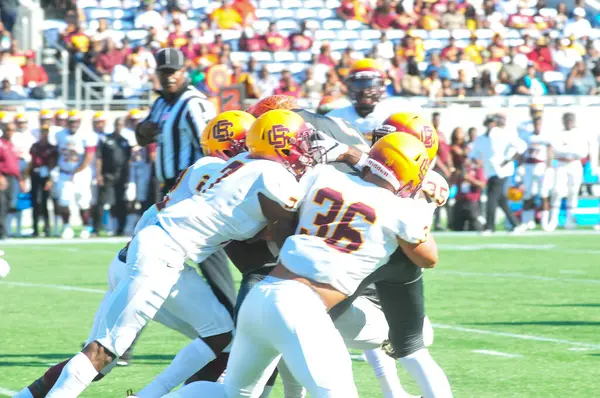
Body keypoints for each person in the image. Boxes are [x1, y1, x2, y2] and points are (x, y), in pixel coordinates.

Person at [40, 109, 326, 397]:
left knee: (221, 332)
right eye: (299, 140)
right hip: (164, 251)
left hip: (164, 249)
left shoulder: (241, 164)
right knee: (105, 350)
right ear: (278, 143)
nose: (305, 148)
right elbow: (285, 239)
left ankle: (148, 394)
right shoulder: (272, 174)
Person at [166, 132, 437, 398]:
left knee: (231, 394)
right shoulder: (401, 210)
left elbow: (285, 209)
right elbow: (428, 257)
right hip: (301, 307)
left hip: (262, 294)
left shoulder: (324, 175)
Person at [12, 111, 256, 398]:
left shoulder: (207, 167)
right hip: (157, 261)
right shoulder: (220, 171)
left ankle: (25, 396)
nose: (251, 151)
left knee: (218, 334)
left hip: (142, 260)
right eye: (245, 143)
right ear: (230, 146)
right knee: (103, 352)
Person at [326, 58, 421, 135]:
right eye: (359, 85)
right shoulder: (334, 118)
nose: (365, 91)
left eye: (371, 85)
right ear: (349, 86)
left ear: (382, 85)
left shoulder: (401, 111)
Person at [470, 115, 528, 233]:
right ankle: (515, 224)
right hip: (490, 171)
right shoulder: (481, 139)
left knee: (491, 198)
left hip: (502, 171)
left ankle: (489, 227)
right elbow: (473, 154)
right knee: (501, 200)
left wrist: (508, 159)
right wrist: (476, 161)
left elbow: (522, 146)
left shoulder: (504, 134)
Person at [53, 110, 97, 239]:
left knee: (83, 202)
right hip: (65, 172)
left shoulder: (87, 135)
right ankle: (67, 227)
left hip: (81, 173)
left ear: (80, 122)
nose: (73, 124)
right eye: (71, 122)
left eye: (76, 121)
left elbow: (89, 155)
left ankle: (85, 227)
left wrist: (77, 170)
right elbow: (55, 153)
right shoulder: (59, 134)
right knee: (64, 201)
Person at [546, 113, 589, 231]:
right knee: (557, 191)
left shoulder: (579, 134)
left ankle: (570, 220)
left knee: (573, 191)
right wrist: (568, 151)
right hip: (561, 164)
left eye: (571, 120)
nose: (569, 122)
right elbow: (556, 149)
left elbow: (583, 151)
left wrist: (568, 151)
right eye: (567, 120)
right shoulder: (558, 134)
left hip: (575, 163)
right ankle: (553, 220)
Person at [96, 118, 131, 236]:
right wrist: (99, 175)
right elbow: (99, 158)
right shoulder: (106, 139)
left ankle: (120, 228)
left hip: (121, 176)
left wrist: (127, 177)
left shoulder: (125, 141)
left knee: (120, 202)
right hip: (107, 175)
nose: (118, 127)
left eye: (121, 125)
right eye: (117, 125)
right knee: (103, 202)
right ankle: (97, 228)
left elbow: (128, 161)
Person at [521, 116, 554, 231]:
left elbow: (550, 151)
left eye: (539, 124)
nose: (537, 126)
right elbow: (522, 151)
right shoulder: (527, 136)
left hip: (541, 165)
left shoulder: (546, 137)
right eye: (536, 124)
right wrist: (521, 166)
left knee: (543, 194)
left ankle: (545, 222)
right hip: (529, 166)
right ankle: (527, 221)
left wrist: (548, 167)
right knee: (527, 194)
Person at [27, 123, 57, 237]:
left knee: (45, 202)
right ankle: (35, 228)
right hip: (35, 175)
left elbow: (53, 164)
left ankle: (47, 227)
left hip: (46, 177)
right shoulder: (35, 146)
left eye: (46, 131)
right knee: (35, 202)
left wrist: (50, 179)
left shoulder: (51, 148)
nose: (44, 134)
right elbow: (31, 162)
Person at [0, 121, 24, 239]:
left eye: (12, 130)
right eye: (8, 129)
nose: (10, 132)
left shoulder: (11, 144)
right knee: (2, 204)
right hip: (2, 178)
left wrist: (20, 179)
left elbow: (14, 164)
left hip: (12, 178)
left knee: (10, 204)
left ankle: (6, 230)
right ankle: (2, 232)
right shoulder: (1, 143)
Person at [451, 157, 486, 231]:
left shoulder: (477, 169)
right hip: (459, 200)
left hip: (472, 201)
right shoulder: (459, 170)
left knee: (475, 226)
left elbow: (482, 184)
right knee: (456, 227)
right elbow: (451, 182)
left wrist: (470, 179)